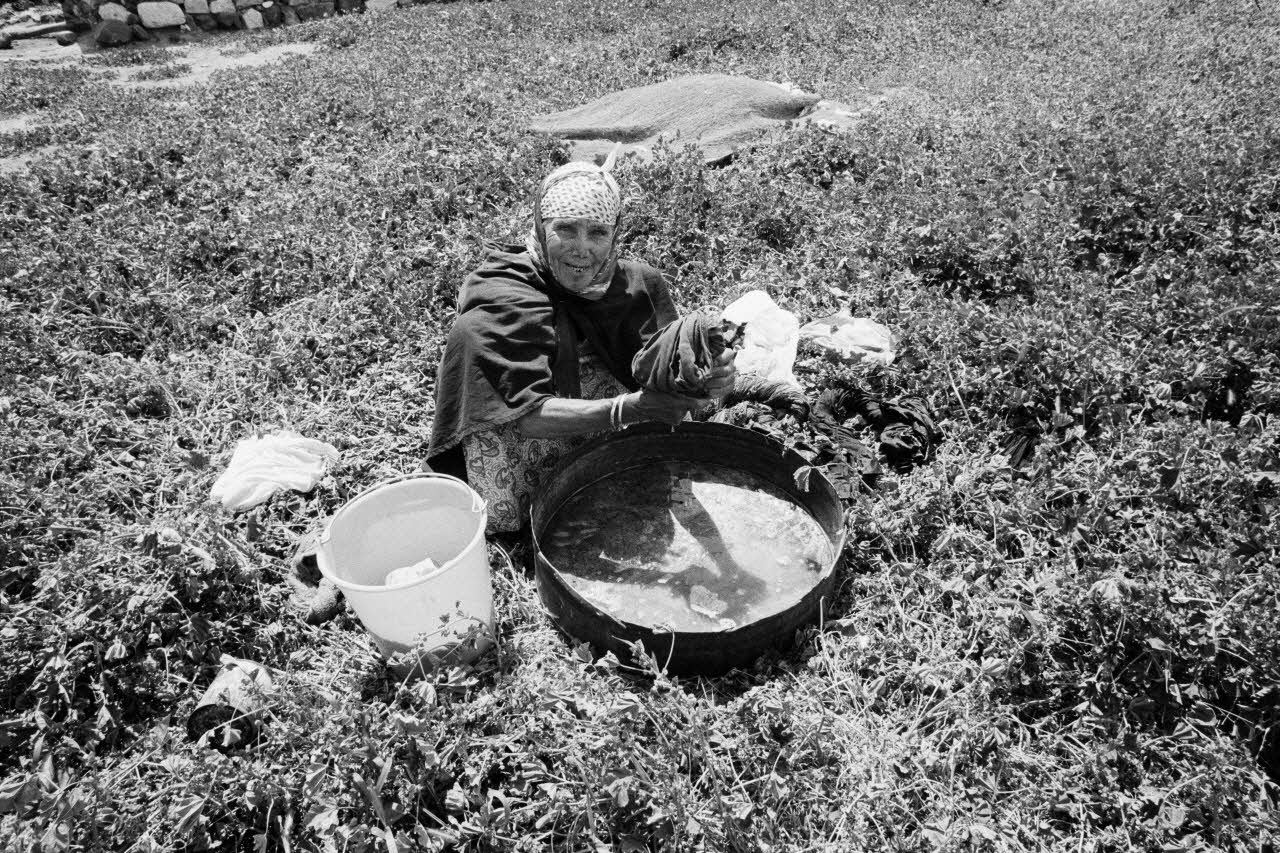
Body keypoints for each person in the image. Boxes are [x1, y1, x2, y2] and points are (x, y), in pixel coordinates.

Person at [427, 153, 736, 534]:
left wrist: (715, 380)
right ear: (541, 228)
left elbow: (672, 373)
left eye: (597, 232)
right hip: (527, 432)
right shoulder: (501, 300)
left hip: (612, 416)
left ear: (615, 234)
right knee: (515, 512)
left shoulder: (635, 286)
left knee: (660, 455)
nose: (581, 248)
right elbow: (526, 415)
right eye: (566, 229)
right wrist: (629, 409)